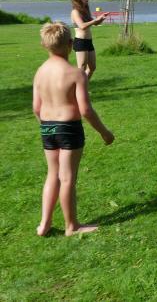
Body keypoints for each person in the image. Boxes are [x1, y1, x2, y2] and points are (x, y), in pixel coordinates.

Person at [33, 22, 115, 236]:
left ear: (44, 45)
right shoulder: (76, 74)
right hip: (68, 129)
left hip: (47, 128)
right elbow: (85, 110)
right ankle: (72, 226)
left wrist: (46, 127)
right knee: (67, 177)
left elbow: (36, 107)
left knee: (52, 174)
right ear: (70, 44)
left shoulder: (40, 72)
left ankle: (44, 224)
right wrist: (105, 132)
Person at [70, 0, 106, 80]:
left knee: (92, 67)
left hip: (89, 41)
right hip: (80, 42)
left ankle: (83, 85)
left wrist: (101, 19)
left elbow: (95, 23)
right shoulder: (75, 12)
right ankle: (78, 87)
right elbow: (82, 26)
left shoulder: (85, 11)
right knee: (82, 68)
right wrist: (95, 20)